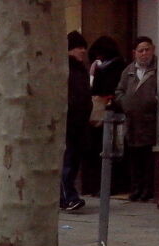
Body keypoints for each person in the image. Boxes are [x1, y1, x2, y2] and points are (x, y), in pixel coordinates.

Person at [112, 36, 159, 202]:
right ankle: (136, 189)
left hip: (153, 121)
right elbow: (119, 91)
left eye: (147, 49)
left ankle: (148, 189)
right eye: (140, 51)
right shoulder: (128, 71)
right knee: (134, 158)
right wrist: (124, 102)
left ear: (153, 49)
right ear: (134, 53)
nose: (144, 54)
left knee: (148, 158)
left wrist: (156, 100)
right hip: (133, 122)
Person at [83, 36, 124, 195]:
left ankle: (107, 185)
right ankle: (99, 185)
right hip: (102, 113)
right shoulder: (102, 68)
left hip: (110, 113)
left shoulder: (114, 67)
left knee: (108, 151)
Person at [61, 31, 91, 212]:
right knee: (67, 163)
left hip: (79, 124)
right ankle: (69, 197)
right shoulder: (65, 70)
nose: (83, 51)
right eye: (79, 47)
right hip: (69, 123)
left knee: (73, 163)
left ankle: (66, 197)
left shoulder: (81, 70)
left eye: (84, 47)